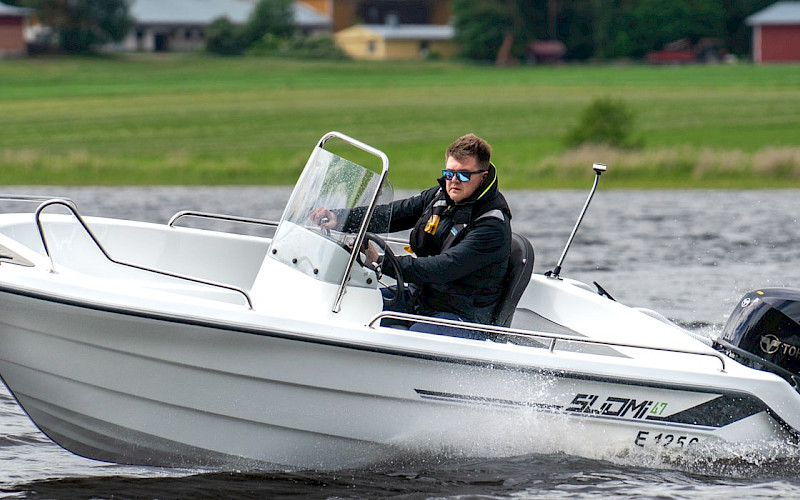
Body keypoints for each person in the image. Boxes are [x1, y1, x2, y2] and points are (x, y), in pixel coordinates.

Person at [310, 133, 512, 339]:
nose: (453, 181)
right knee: (354, 304)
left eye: (463, 175)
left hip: (462, 316)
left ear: (483, 176)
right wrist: (342, 218)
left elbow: (443, 268)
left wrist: (381, 262)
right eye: (449, 173)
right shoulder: (440, 195)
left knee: (411, 337)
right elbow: (394, 213)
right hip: (423, 299)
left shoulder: (492, 226)